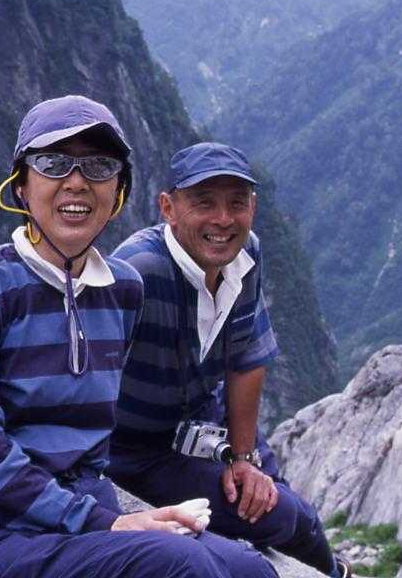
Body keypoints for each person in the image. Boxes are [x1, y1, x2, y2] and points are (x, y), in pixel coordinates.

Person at [0, 97, 277, 578]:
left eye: (99, 167)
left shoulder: (122, 290)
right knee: (181, 566)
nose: (77, 181)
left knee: (251, 569)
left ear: (118, 190)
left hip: (82, 514)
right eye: (53, 163)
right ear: (21, 185)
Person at [107, 142, 350, 578]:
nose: (223, 220)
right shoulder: (138, 271)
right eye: (204, 203)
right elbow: (78, 371)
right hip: (138, 449)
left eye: (237, 203)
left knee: (281, 498)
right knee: (284, 515)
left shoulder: (246, 253)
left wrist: (242, 458)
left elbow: (247, 357)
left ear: (252, 207)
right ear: (168, 208)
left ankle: (333, 570)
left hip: (205, 413)